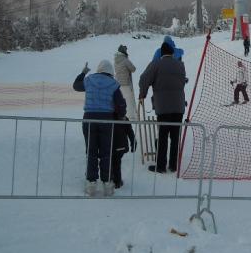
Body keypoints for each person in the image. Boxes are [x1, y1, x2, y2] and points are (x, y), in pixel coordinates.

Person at [73, 59, 128, 196]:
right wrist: (121, 115)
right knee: (106, 152)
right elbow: (121, 104)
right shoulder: (113, 84)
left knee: (91, 151)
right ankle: (107, 183)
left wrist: (83, 73)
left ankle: (91, 183)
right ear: (110, 72)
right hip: (106, 120)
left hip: (89, 119)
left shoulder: (89, 80)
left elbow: (76, 86)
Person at [139, 40, 186, 174]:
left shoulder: (156, 64)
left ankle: (161, 166)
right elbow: (182, 82)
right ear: (172, 53)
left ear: (161, 53)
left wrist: (142, 94)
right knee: (175, 137)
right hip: (178, 106)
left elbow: (144, 79)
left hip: (163, 107)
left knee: (163, 136)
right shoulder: (180, 65)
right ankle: (173, 165)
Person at [113, 44, 138, 188]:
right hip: (126, 84)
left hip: (118, 84)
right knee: (127, 104)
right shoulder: (125, 59)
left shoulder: (115, 59)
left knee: (120, 103)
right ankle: (129, 118)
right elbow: (133, 68)